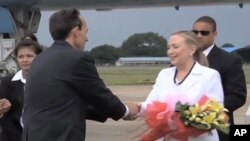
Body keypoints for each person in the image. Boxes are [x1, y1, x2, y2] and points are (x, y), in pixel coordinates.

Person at [22, 8, 139, 141]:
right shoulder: (77, 58)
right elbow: (99, 94)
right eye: (86, 32)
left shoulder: (40, 59)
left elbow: (64, 102)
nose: (87, 38)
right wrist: (125, 110)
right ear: (75, 31)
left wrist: (110, 112)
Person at [139, 31, 224, 141]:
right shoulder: (164, 74)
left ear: (192, 49)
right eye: (168, 48)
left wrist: (182, 121)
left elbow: (215, 113)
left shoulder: (209, 75)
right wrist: (131, 109)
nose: (170, 52)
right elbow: (150, 105)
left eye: (175, 47)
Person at [192, 16, 247, 141]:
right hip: (186, 132)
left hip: (219, 131)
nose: (199, 36)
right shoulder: (184, 58)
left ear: (215, 34)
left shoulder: (230, 60)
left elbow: (237, 96)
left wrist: (205, 111)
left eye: (204, 33)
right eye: (195, 32)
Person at [0, 37, 43, 141]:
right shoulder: (7, 83)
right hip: (12, 136)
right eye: (21, 56)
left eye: (29, 56)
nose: (25, 60)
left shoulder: (47, 82)